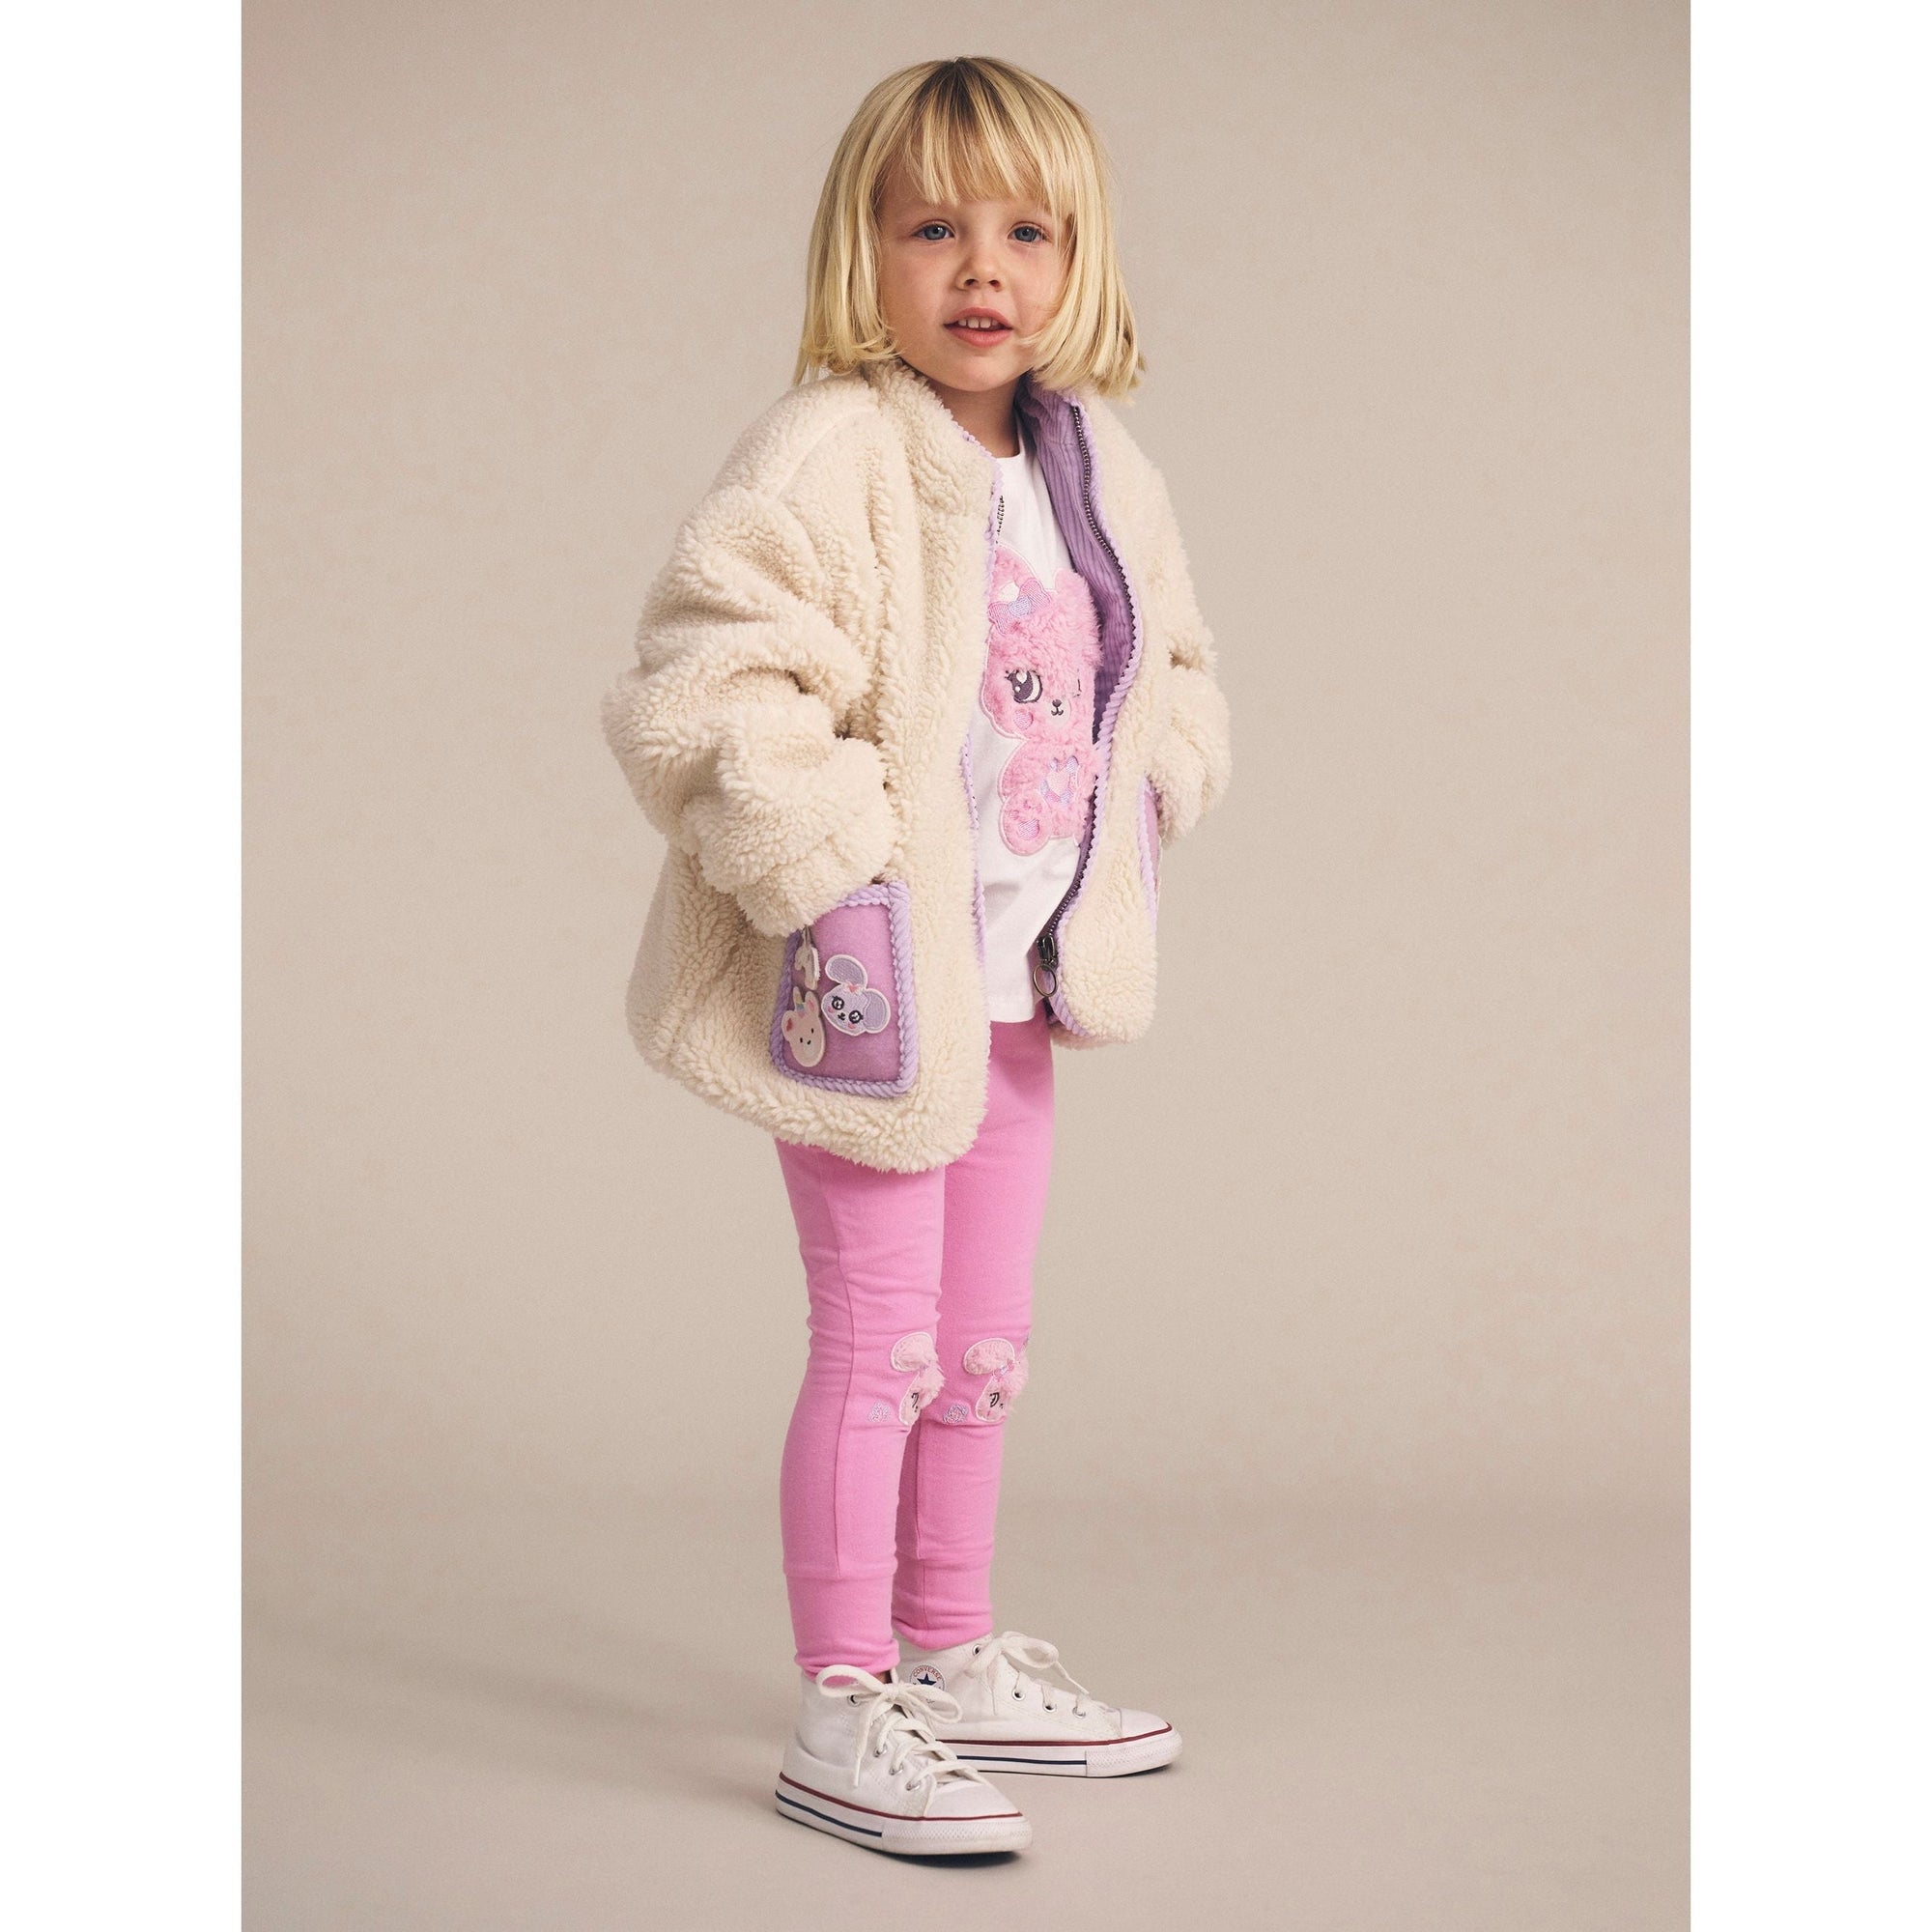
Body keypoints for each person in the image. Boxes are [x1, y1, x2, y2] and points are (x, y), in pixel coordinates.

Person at [601, 55, 1232, 1858]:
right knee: (879, 1345)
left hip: (1017, 985)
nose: (984, 269)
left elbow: (1176, 674)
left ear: (1081, 258)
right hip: (873, 985)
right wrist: (834, 869)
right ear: (862, 252)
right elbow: (708, 673)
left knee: (982, 1347)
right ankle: (842, 1697)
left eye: (1029, 232)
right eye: (934, 228)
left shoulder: (1096, 468)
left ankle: (949, 1650)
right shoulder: (832, 453)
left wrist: (1149, 797)